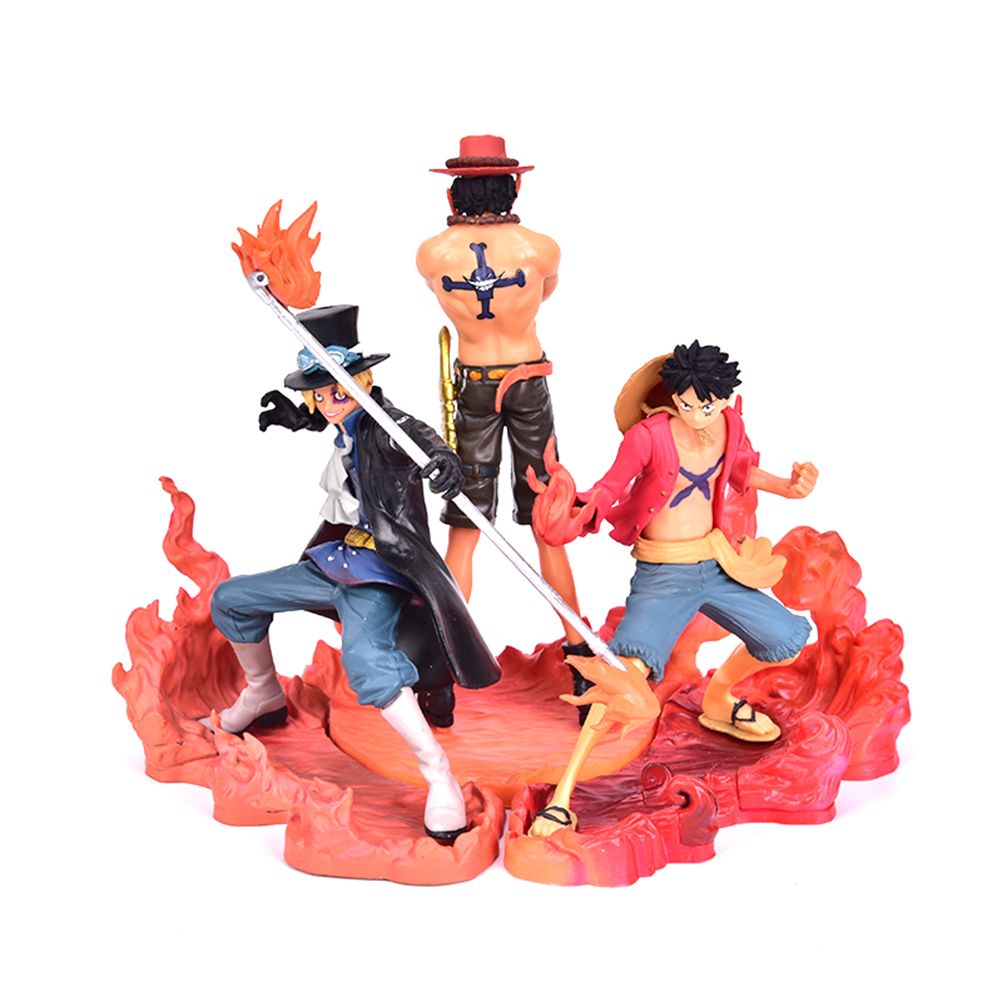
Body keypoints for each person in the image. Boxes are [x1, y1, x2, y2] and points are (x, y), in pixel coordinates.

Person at [206, 304, 501, 843]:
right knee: (232, 598)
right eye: (318, 395)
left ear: (364, 381)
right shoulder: (345, 420)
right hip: (336, 560)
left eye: (337, 390)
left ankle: (439, 776)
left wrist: (443, 461)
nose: (328, 402)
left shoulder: (389, 428)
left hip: (380, 571)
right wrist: (298, 418)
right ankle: (264, 693)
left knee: (367, 663)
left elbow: (420, 439)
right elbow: (334, 421)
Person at [527, 341, 819, 836]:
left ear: (723, 399)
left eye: (708, 405)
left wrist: (788, 488)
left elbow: (739, 468)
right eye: (686, 403)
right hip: (663, 575)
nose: (697, 414)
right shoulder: (648, 436)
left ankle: (719, 699)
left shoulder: (730, 424)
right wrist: (577, 511)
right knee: (623, 680)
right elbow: (612, 486)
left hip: (716, 562)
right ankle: (562, 797)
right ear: (672, 396)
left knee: (785, 638)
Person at [416, 134, 590, 677]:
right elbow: (541, 295)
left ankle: (442, 660)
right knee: (547, 518)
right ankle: (580, 652)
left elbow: (450, 302)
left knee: (465, 526)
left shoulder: (431, 255)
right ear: (515, 187)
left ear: (452, 195)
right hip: (528, 379)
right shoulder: (541, 249)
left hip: (474, 383)